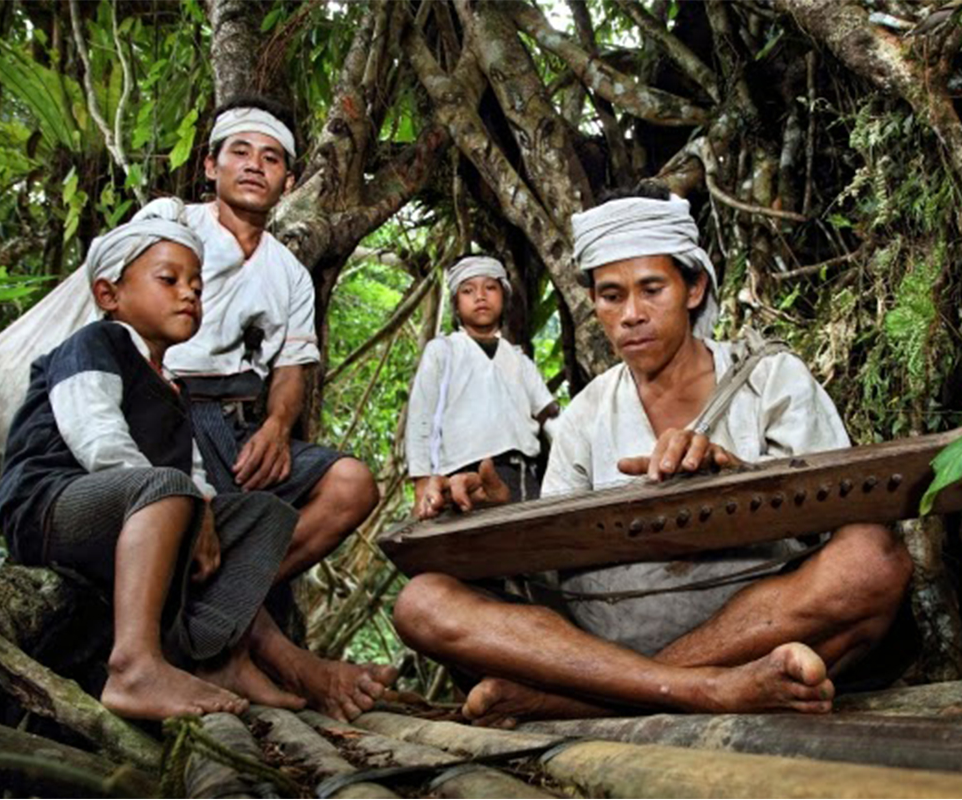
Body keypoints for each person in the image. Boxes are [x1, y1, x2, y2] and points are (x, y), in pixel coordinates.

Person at [392, 186, 913, 727]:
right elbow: (547, 569)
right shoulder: (584, 416)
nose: (632, 314)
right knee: (422, 602)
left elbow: (842, 519)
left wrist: (736, 480)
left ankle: (590, 701)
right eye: (611, 295)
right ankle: (704, 689)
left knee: (871, 559)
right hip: (606, 636)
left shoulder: (770, 380)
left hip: (758, 625)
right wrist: (496, 520)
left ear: (694, 288)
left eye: (652, 289)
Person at [0, 206, 306, 720]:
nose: (189, 293)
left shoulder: (170, 384)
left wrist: (204, 505)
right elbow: (96, 436)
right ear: (108, 294)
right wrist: (187, 500)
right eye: (169, 280)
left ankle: (215, 658)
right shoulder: (94, 343)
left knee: (261, 514)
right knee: (169, 486)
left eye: (197, 286)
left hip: (133, 509)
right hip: (51, 507)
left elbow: (194, 469)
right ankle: (134, 667)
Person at [152, 96, 394, 719]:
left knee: (351, 483)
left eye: (272, 158)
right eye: (240, 152)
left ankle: (214, 615)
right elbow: (121, 320)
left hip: (247, 421)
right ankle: (278, 657)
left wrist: (280, 428)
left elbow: (292, 369)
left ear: (288, 180)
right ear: (210, 167)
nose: (255, 166)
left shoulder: (287, 270)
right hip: (172, 409)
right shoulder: (174, 222)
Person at [407, 255, 558, 520]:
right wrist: (422, 482)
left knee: (534, 552)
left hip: (522, 475)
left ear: (504, 297)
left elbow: (550, 416)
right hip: (460, 478)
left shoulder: (519, 359)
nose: (480, 296)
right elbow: (421, 417)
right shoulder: (443, 350)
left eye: (490, 287)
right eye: (468, 290)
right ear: (456, 303)